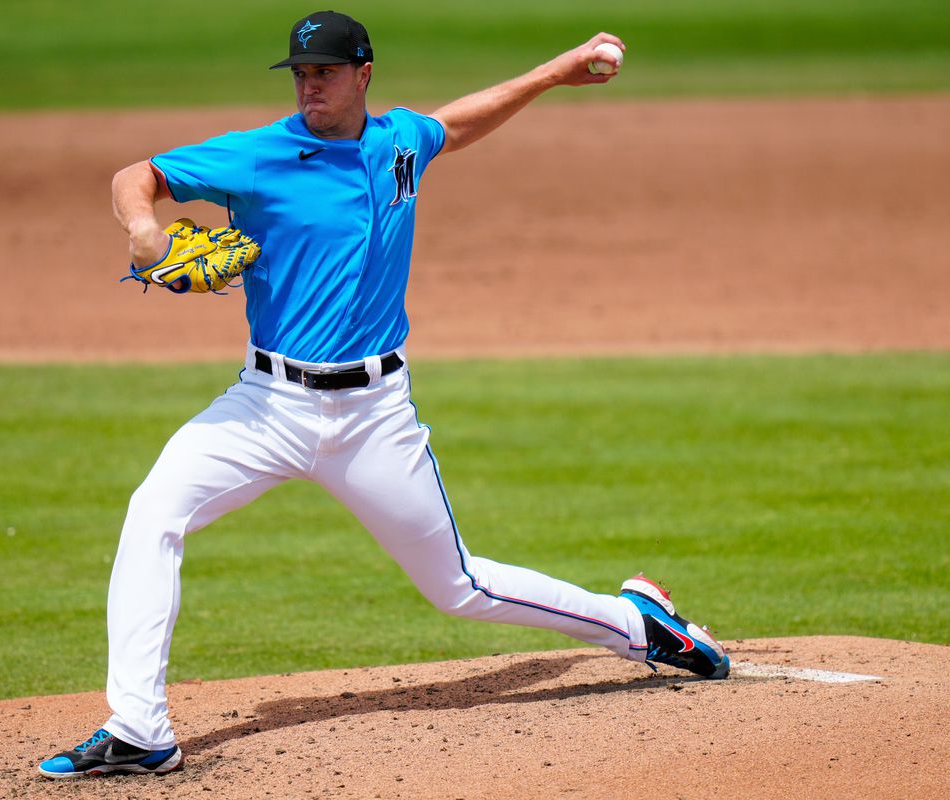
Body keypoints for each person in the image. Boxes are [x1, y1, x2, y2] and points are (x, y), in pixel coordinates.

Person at [38, 11, 729, 780]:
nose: (310, 86)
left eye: (325, 73)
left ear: (363, 74)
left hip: (374, 419)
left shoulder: (398, 142)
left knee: (459, 588)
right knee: (153, 511)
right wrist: (143, 226)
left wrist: (556, 72)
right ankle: (139, 727)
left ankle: (639, 625)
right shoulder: (260, 156)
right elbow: (135, 177)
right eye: (301, 73)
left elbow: (454, 125)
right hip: (264, 408)